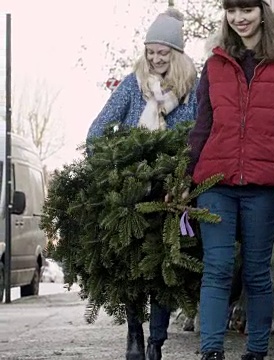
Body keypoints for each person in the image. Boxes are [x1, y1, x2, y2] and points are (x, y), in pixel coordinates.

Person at [186, 0, 274, 359]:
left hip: (265, 185)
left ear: (262, 11)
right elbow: (202, 124)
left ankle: (257, 350)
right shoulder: (214, 64)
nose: (239, 18)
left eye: (246, 9)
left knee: (258, 271)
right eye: (232, 11)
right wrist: (185, 176)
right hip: (216, 181)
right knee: (217, 267)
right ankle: (211, 351)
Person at [86, 8, 198, 360]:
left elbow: (197, 135)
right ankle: (135, 335)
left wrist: (184, 174)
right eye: (150, 52)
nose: (155, 59)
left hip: (172, 191)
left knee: (164, 268)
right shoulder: (132, 85)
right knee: (134, 266)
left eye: (163, 53)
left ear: (177, 55)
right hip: (134, 192)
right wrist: (112, 168)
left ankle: (156, 343)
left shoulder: (191, 91)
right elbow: (97, 129)